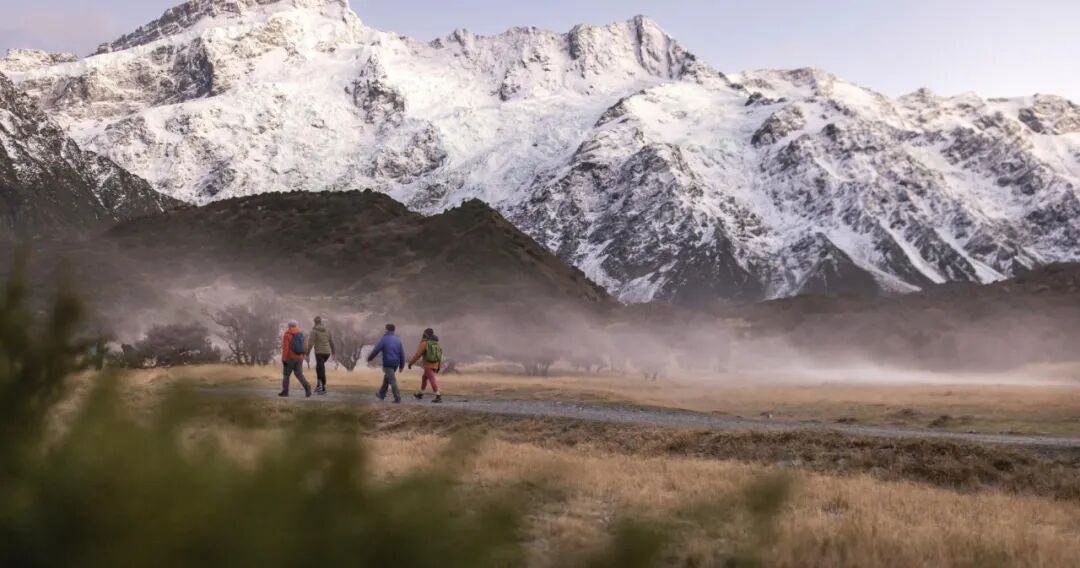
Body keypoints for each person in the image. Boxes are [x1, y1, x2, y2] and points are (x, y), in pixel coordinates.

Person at [367, 323, 405, 403]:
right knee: (387, 378)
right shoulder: (398, 339)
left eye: (385, 329)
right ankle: (381, 394)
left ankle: (397, 398)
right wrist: (402, 365)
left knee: (392, 380)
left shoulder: (384, 339)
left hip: (388, 363)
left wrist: (370, 358)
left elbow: (376, 350)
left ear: (387, 329)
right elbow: (402, 353)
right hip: (395, 364)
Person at [409, 328, 443, 403]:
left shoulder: (425, 343)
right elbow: (440, 355)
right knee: (424, 377)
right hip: (435, 364)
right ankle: (420, 394)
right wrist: (439, 366)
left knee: (432, 379)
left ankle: (438, 395)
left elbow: (418, 354)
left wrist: (411, 363)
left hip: (428, 364)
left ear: (425, 334)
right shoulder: (436, 343)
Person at [280, 320, 312, 398]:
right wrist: (303, 355)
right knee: (299, 374)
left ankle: (285, 391)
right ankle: (307, 387)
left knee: (286, 375)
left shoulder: (287, 335)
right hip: (299, 357)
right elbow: (305, 346)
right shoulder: (301, 334)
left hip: (290, 358)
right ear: (296, 326)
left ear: (289, 326)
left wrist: (283, 359)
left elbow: (286, 348)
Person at [306, 316, 336, 395]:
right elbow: (331, 342)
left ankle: (323, 388)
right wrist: (333, 353)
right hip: (327, 353)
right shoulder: (327, 330)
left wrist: (307, 353)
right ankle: (319, 385)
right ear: (321, 322)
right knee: (319, 368)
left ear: (314, 322)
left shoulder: (314, 331)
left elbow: (310, 343)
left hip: (319, 352)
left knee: (321, 369)